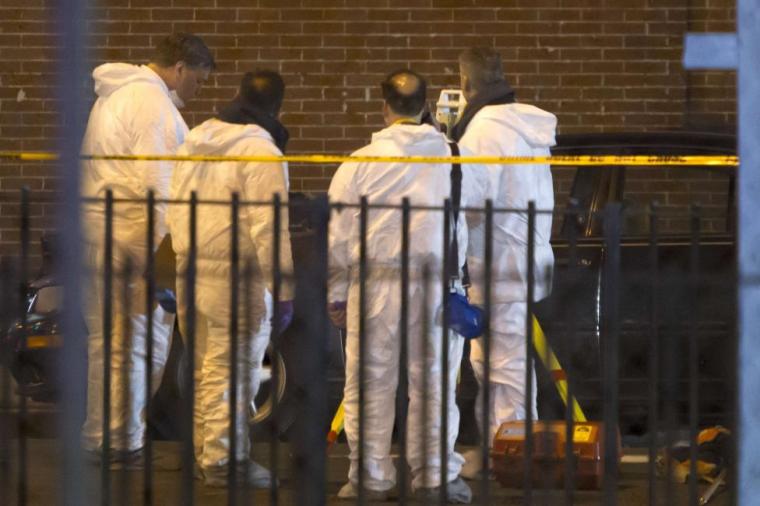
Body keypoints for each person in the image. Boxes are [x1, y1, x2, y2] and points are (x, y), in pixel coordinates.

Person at [328, 69, 488, 503]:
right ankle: (434, 475)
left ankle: (369, 476)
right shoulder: (457, 157)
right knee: (433, 382)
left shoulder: (358, 163)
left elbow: (340, 236)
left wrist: (337, 291)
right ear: (426, 107)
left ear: (384, 108)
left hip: (374, 281)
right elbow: (476, 209)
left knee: (369, 380)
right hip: (437, 283)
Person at [80, 33, 215, 464]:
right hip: (134, 242)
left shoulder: (113, 98)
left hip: (99, 235)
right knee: (140, 344)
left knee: (108, 345)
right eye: (198, 79)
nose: (198, 90)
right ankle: (121, 440)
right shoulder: (151, 105)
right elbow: (160, 187)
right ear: (179, 69)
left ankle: (101, 435)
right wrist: (171, 257)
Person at [168, 70, 295, 488]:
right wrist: (284, 290)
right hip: (236, 280)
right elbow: (269, 227)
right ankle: (226, 462)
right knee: (234, 375)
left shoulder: (195, 142)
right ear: (276, 107)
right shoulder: (261, 154)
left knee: (207, 370)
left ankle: (210, 455)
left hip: (191, 270)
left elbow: (174, 207)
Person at [451, 47, 557, 477]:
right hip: (526, 257)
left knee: (500, 364)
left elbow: (467, 202)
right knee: (506, 360)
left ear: (465, 85)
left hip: (495, 261)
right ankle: (506, 445)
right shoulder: (525, 126)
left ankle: (512, 451)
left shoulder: (482, 132)